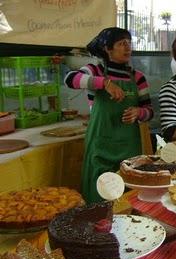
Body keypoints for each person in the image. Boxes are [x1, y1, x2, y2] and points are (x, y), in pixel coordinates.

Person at [64, 27, 153, 203]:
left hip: (129, 150)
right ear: (107, 48)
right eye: (121, 44)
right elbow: (70, 79)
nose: (128, 48)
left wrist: (138, 112)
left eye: (129, 43)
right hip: (101, 147)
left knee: (127, 197)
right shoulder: (94, 70)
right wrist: (104, 83)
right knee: (99, 194)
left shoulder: (138, 78)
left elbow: (149, 111)